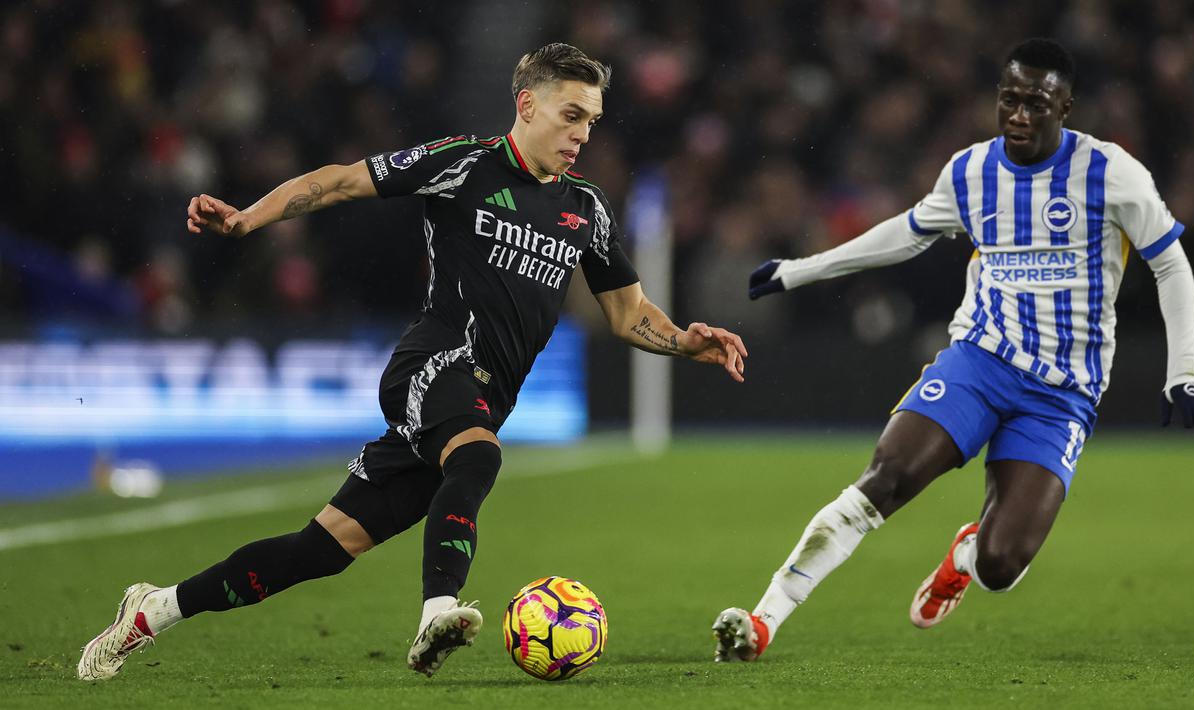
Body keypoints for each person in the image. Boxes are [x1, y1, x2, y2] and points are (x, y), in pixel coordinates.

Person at [76, 42, 748, 681]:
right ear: (527, 104)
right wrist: (248, 219)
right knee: (478, 457)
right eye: (571, 115)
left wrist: (685, 342)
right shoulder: (463, 164)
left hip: (483, 398)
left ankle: (153, 609)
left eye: (592, 121)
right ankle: (436, 615)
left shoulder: (586, 209)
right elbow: (340, 183)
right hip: (434, 365)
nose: (582, 134)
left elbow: (628, 313)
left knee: (320, 549)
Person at [712, 38, 1194, 662]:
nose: (1019, 116)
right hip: (979, 361)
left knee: (1001, 565)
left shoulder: (1112, 174)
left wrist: (1184, 371)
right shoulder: (971, 171)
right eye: (1009, 100)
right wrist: (800, 270)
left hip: (1061, 394)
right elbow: (907, 233)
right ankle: (763, 621)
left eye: (1037, 104)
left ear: (1066, 107)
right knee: (884, 480)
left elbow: (1171, 265)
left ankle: (965, 556)